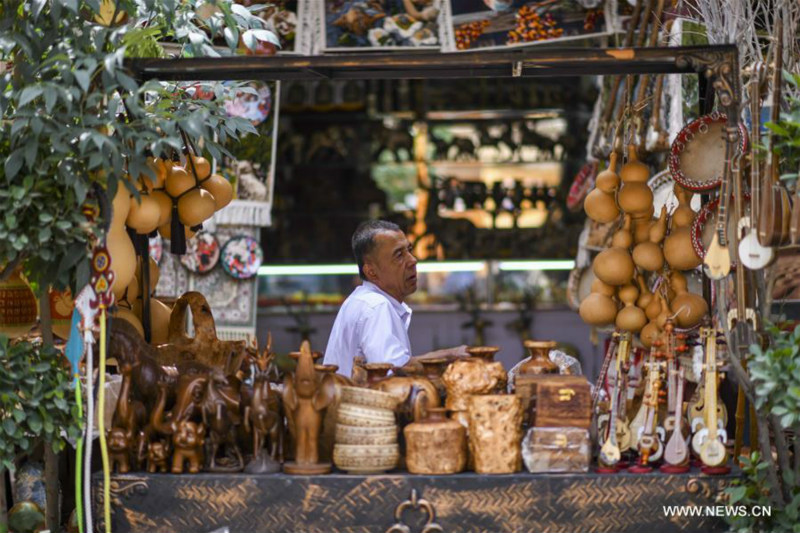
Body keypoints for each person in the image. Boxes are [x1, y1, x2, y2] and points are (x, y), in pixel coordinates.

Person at [324, 220, 467, 378]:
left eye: (409, 250)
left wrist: (451, 354)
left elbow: (398, 365)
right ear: (371, 272)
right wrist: (449, 357)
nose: (413, 261)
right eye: (399, 255)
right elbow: (394, 375)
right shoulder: (376, 306)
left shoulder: (364, 300)